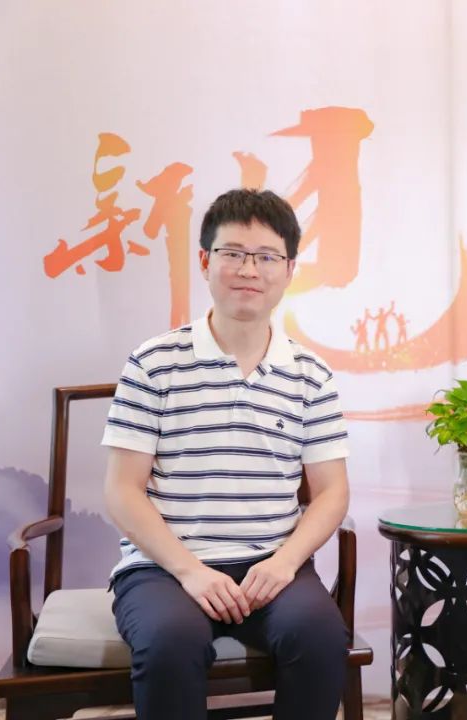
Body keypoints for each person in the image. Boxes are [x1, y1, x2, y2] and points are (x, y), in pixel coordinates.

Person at [102, 188, 350, 719]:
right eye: (233, 253)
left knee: (321, 638)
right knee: (169, 644)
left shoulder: (311, 375)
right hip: (164, 568)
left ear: (289, 269)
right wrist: (190, 570)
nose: (249, 270)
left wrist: (285, 563)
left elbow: (332, 492)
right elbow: (122, 490)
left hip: (272, 565)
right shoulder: (153, 363)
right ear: (205, 261)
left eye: (267, 257)